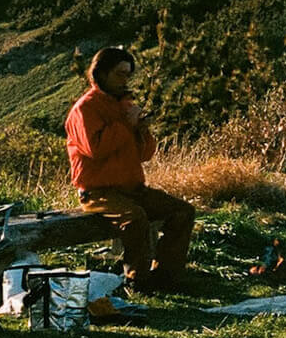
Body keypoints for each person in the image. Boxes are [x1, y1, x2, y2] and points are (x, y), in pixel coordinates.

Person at [65, 46, 196, 291]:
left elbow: (144, 155)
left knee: (182, 212)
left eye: (128, 74)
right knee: (135, 218)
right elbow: (95, 149)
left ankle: (166, 277)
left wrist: (141, 130)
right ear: (101, 74)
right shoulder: (84, 109)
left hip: (132, 189)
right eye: (120, 74)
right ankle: (137, 280)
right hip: (98, 193)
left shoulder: (123, 106)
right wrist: (127, 124)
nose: (125, 80)